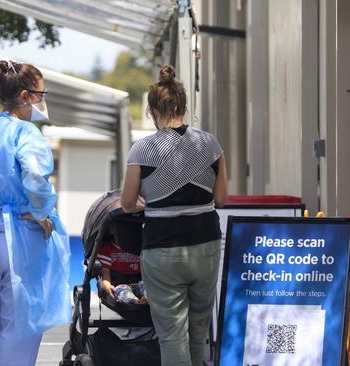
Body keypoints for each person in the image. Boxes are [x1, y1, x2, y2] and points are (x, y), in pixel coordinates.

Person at [0, 60, 71, 366]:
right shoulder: (26, 133)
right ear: (24, 95)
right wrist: (41, 212)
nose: (42, 101)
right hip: (19, 236)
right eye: (40, 94)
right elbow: (34, 176)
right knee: (19, 326)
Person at [120, 65, 227, 366]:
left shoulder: (142, 150)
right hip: (206, 245)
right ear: (183, 105)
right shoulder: (211, 144)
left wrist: (152, 200)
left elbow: (127, 203)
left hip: (162, 248)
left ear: (152, 110)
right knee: (198, 332)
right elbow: (221, 199)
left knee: (171, 336)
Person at [98, 223, 147, 304]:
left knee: (149, 288)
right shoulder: (107, 250)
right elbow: (105, 272)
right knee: (124, 294)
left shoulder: (140, 247)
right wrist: (107, 285)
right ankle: (136, 302)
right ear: (112, 229)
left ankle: (147, 298)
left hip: (141, 281)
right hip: (120, 285)